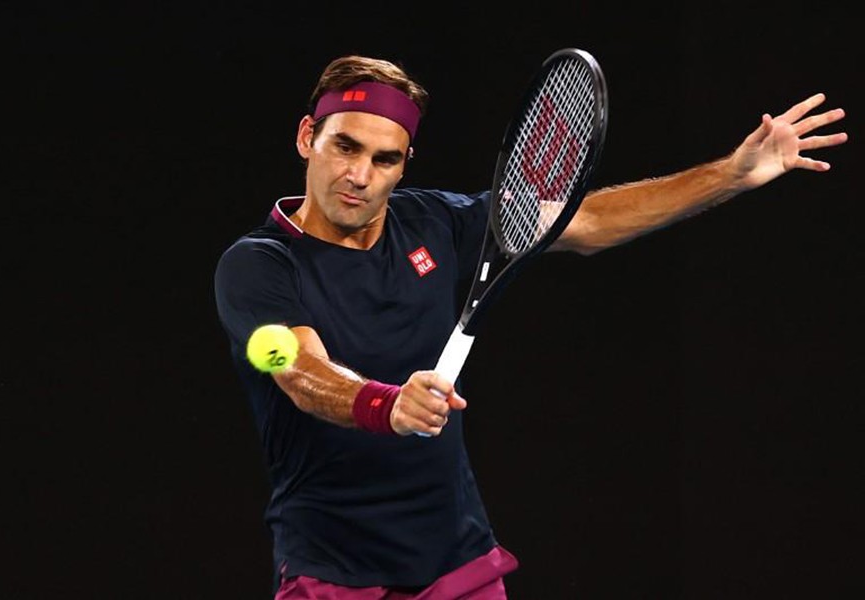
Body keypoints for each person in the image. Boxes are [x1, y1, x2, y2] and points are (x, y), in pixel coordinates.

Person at [213, 54, 847, 599]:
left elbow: (587, 221)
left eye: (385, 158)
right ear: (307, 139)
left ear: (405, 163)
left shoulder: (434, 223)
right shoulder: (259, 264)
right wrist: (388, 405)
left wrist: (730, 174)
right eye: (344, 147)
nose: (359, 175)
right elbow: (300, 371)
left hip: (456, 562)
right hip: (331, 569)